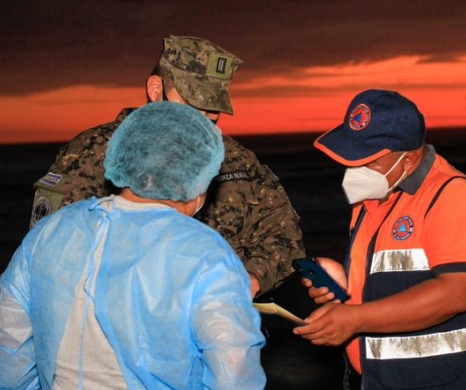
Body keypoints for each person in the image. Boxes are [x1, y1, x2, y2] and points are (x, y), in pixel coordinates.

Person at [0, 101, 269, 390]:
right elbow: (234, 380)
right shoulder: (206, 255)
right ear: (200, 177)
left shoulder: (52, 231)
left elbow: (7, 345)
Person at [30, 35, 305, 298]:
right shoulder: (93, 152)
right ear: (155, 89)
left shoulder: (236, 158)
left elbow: (284, 238)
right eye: (193, 104)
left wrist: (248, 282)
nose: (204, 118)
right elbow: (50, 248)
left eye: (212, 109)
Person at [293, 89, 466, 390]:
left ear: (408, 160)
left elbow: (455, 293)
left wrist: (354, 319)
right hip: (387, 384)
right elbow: (396, 278)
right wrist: (345, 283)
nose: (353, 170)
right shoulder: (375, 198)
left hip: (457, 386)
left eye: (366, 162)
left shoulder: (453, 198)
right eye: (350, 158)